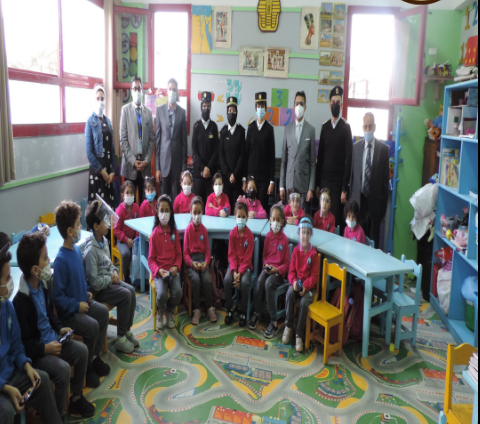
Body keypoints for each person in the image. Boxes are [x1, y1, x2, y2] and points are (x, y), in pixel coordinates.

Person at [14, 233, 94, 418]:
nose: (49, 261)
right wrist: (45, 349)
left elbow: (49, 314)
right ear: (35, 270)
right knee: (63, 370)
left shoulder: (43, 285)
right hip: (39, 353)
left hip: (54, 340)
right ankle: (58, 416)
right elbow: (25, 344)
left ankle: (76, 398)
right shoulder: (21, 301)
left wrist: (59, 328)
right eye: (45, 258)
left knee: (82, 351)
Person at [0, 233, 63, 424]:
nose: (11, 281)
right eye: (7, 278)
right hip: (3, 382)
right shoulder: (19, 302)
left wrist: (26, 366)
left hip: (11, 372)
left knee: (40, 380)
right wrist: (5, 387)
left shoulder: (7, 306)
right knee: (6, 411)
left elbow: (17, 346)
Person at [52, 201, 110, 389]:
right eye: (78, 224)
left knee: (102, 313)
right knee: (92, 326)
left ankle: (93, 358)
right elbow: (58, 299)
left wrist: (86, 292)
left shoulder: (77, 250)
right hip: (70, 314)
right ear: (70, 231)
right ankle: (87, 368)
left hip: (83, 302)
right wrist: (77, 306)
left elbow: (79, 280)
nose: (80, 228)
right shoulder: (61, 260)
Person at [84, 201, 140, 354]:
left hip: (110, 281)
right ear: (96, 226)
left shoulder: (105, 241)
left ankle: (126, 330)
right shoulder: (91, 250)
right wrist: (111, 279)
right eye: (104, 221)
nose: (108, 223)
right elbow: (94, 283)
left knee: (131, 290)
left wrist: (115, 271)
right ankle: (120, 338)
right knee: (126, 295)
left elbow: (109, 264)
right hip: (100, 290)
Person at [315, 86, 353, 233]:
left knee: (335, 220)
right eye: (333, 102)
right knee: (322, 218)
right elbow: (320, 156)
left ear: (341, 105)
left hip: (338, 185)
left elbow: (348, 160)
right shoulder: (324, 127)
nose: (335, 104)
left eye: (338, 102)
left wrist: (344, 189)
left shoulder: (346, 128)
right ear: (329, 104)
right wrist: (317, 184)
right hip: (324, 181)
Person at [350, 112, 390, 249]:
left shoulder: (383, 150)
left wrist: (383, 211)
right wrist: (351, 205)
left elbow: (385, 183)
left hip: (375, 204)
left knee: (373, 243)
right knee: (357, 242)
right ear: (362, 127)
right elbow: (352, 178)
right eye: (365, 126)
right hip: (359, 202)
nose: (367, 130)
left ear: (375, 127)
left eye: (370, 126)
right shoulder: (356, 148)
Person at [249, 206, 290, 339]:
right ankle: (256, 312)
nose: (275, 222)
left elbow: (286, 265)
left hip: (278, 273)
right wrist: (266, 264)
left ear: (282, 221)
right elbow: (265, 256)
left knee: (268, 284)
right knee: (260, 281)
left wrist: (277, 270)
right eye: (273, 219)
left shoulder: (284, 239)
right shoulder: (268, 236)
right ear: (270, 220)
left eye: (278, 219)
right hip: (268, 269)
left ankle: (274, 321)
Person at [283, 217, 319, 353]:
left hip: (308, 289)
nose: (305, 236)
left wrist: (306, 287)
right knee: (289, 294)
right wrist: (293, 282)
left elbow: (314, 276)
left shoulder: (313, 254)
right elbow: (291, 271)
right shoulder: (295, 251)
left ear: (311, 235)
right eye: (303, 232)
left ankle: (299, 334)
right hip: (297, 285)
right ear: (299, 233)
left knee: (304, 303)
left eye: (307, 233)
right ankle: (288, 326)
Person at [148, 195, 182, 330]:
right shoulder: (155, 234)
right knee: (161, 294)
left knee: (178, 293)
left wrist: (177, 267)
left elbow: (179, 254)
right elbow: (151, 259)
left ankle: (170, 309)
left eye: (167, 210)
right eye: (162, 210)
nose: (164, 213)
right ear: (157, 212)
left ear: (171, 212)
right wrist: (158, 270)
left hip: (172, 271)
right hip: (159, 272)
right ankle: (160, 310)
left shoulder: (174, 232)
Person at [120, 76, 155, 205]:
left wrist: (147, 160)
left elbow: (151, 139)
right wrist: (133, 161)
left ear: (142, 90)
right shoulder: (125, 110)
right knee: (130, 204)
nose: (137, 91)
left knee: (145, 204)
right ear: (131, 91)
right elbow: (123, 140)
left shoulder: (149, 112)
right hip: (130, 167)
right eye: (134, 88)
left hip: (145, 167)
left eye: (139, 88)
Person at [280, 91, 316, 212]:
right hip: (289, 184)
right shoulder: (287, 129)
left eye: (301, 104)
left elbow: (312, 163)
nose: (299, 106)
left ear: (305, 107)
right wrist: (281, 186)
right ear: (293, 106)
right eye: (297, 104)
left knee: (302, 219)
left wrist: (311, 188)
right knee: (289, 218)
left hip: (303, 186)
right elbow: (284, 160)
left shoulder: (310, 130)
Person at [184, 196, 217, 325]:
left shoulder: (204, 230)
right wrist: (191, 263)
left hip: (202, 261)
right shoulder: (188, 230)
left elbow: (207, 251)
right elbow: (185, 254)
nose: (197, 215)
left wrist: (206, 262)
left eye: (199, 212)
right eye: (194, 212)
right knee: (196, 280)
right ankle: (197, 309)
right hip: (191, 262)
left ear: (202, 212)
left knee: (206, 279)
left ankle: (210, 307)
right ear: (191, 213)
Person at [155, 78, 188, 199]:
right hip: (163, 165)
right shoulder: (159, 110)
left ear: (177, 92)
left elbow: (184, 143)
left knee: (175, 201)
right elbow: (157, 141)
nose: (172, 91)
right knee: (163, 200)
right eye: (170, 89)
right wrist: (157, 168)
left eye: (174, 89)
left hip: (177, 166)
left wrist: (183, 168)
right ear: (167, 91)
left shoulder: (182, 112)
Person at [224, 200, 254, 328]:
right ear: (235, 217)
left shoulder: (250, 235)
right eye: (238, 216)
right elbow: (231, 255)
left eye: (243, 216)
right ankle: (230, 308)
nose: (241, 219)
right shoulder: (232, 234)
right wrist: (234, 272)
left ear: (247, 218)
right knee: (226, 280)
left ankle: (243, 311)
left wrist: (240, 273)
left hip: (246, 268)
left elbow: (247, 258)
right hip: (233, 267)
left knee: (244, 282)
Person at [85, 84, 116, 207]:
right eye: (97, 98)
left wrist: (112, 171)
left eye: (102, 99)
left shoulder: (108, 121)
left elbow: (112, 149)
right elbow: (89, 153)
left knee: (109, 211)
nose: (100, 101)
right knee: (97, 211)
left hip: (109, 176)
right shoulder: (90, 121)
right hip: (97, 174)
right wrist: (102, 172)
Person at [245, 92, 276, 212]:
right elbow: (246, 154)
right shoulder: (250, 128)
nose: (260, 109)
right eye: (258, 106)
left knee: (261, 211)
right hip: (251, 179)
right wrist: (245, 179)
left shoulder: (269, 129)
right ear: (255, 108)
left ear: (266, 108)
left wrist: (271, 181)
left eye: (262, 106)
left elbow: (272, 157)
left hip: (264, 180)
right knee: (250, 210)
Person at [219, 96, 246, 212]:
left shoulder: (241, 131)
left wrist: (235, 174)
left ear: (237, 112)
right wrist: (229, 174)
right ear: (226, 112)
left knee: (236, 210)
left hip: (237, 180)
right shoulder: (223, 131)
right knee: (226, 211)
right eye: (229, 110)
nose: (231, 113)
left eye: (233, 110)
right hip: (226, 180)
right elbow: (221, 155)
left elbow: (242, 155)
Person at [192, 91, 219, 202]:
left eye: (208, 106)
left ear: (210, 107)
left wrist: (208, 168)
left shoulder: (214, 126)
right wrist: (203, 168)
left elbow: (216, 150)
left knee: (210, 206)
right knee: (198, 204)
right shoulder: (196, 126)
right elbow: (194, 151)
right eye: (204, 106)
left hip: (211, 175)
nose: (206, 109)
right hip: (198, 175)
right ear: (201, 107)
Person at [114, 181, 140, 286]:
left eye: (131, 192)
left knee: (141, 251)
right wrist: (126, 240)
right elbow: (116, 230)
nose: (129, 195)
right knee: (126, 254)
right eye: (127, 192)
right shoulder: (119, 210)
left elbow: (139, 224)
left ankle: (138, 276)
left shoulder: (136, 208)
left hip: (134, 239)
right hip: (122, 240)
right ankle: (126, 275)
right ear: (122, 195)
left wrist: (136, 238)